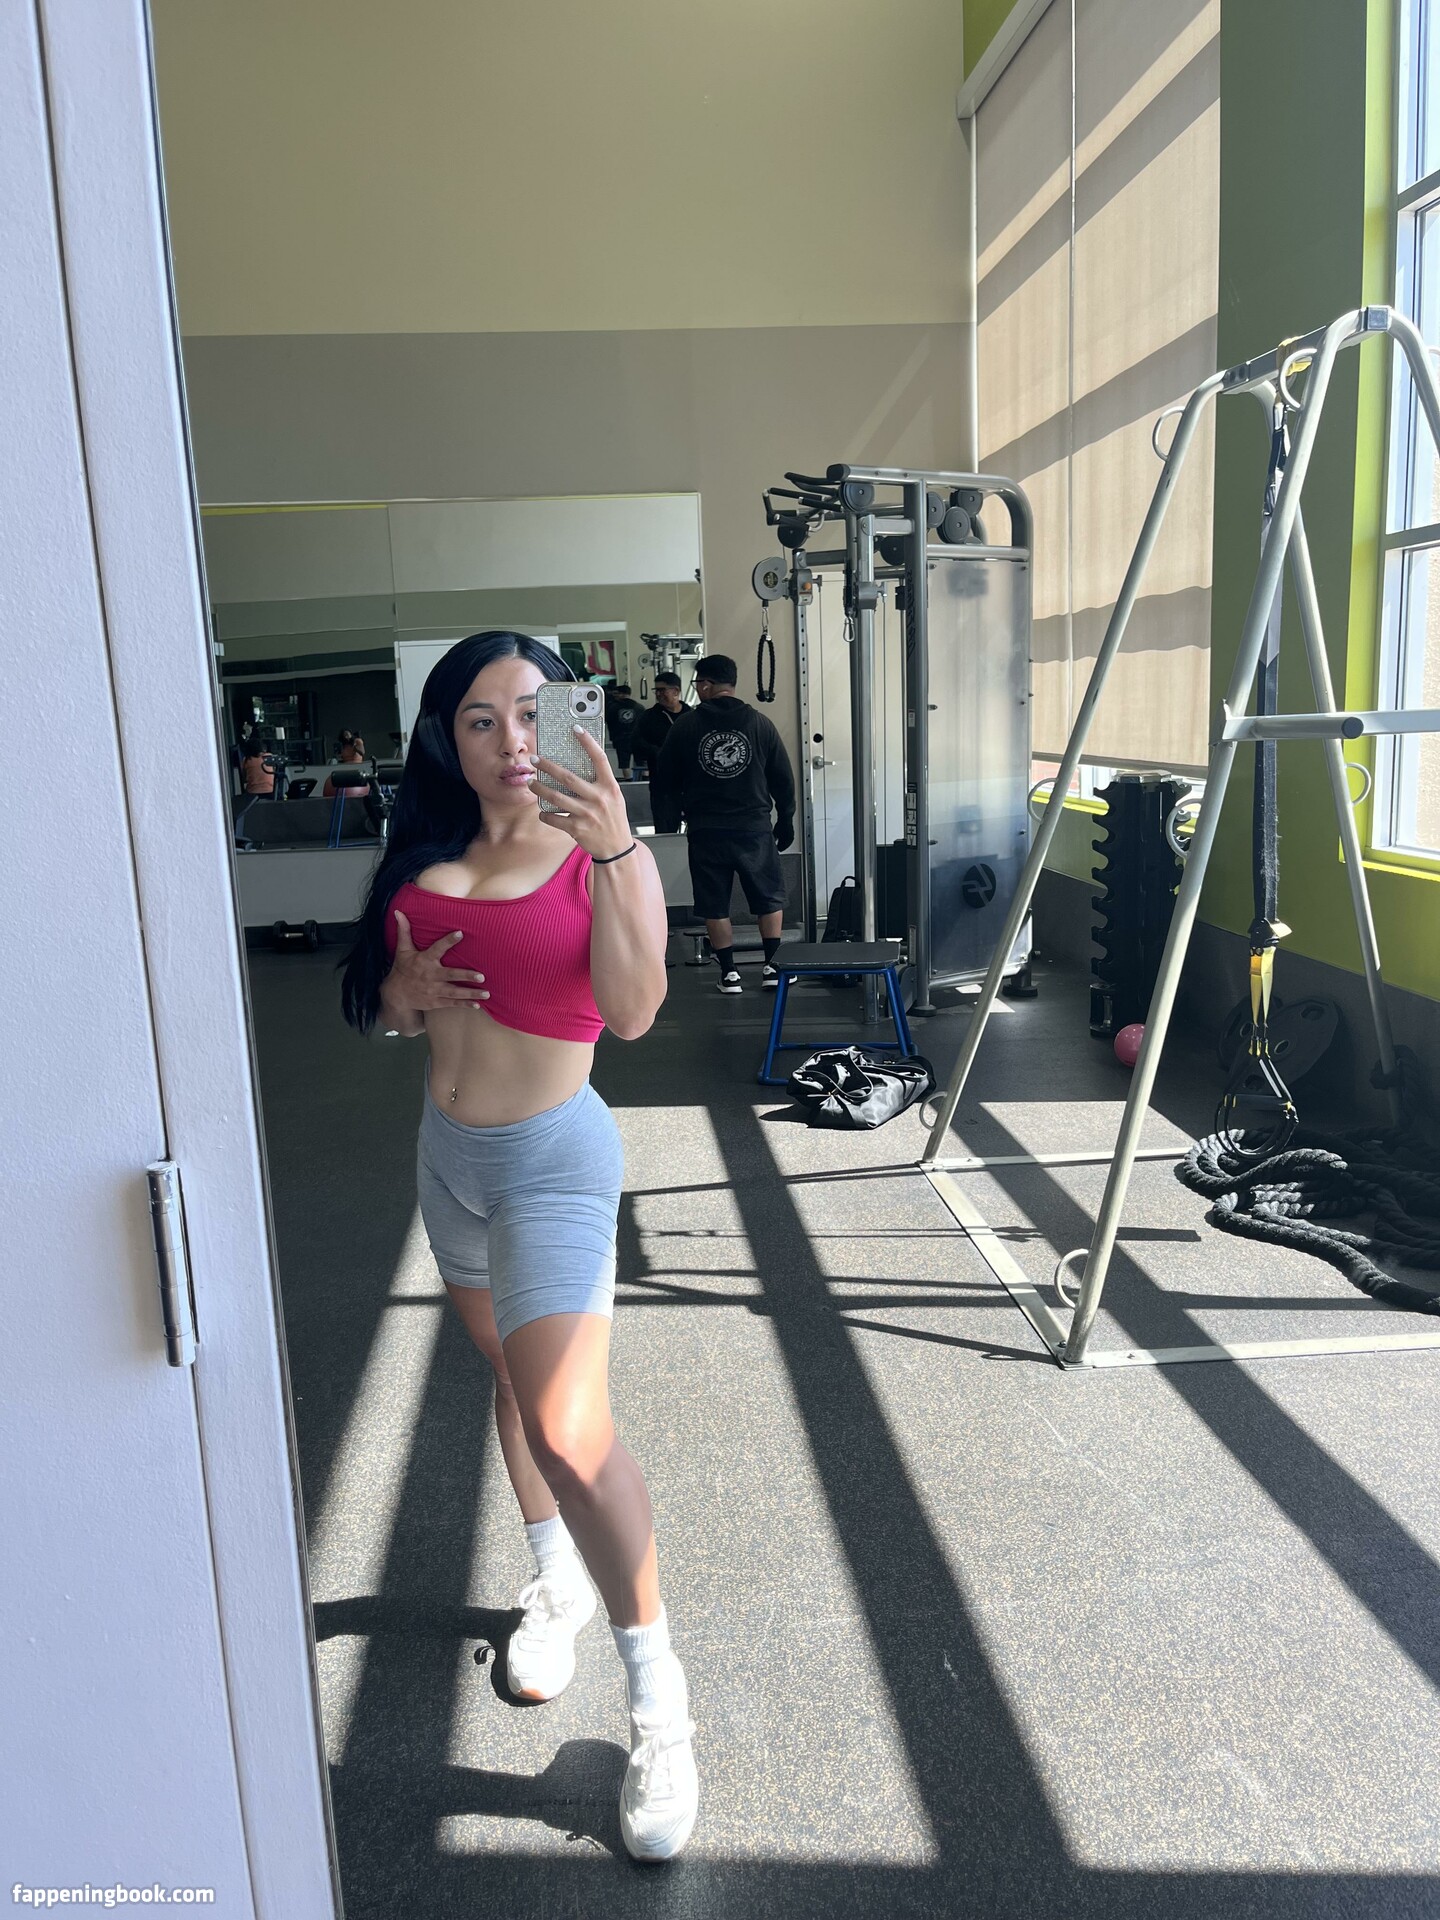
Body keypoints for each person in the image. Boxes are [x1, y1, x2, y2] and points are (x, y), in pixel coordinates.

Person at [339, 631, 698, 1862]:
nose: (512, 742)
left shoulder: (601, 854)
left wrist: (617, 852)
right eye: (482, 719)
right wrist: (401, 1002)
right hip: (448, 1161)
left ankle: (661, 1709)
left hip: (553, 1159)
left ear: (570, 718)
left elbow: (636, 1014)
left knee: (569, 1428)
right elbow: (385, 1005)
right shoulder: (420, 857)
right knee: (510, 1383)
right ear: (447, 737)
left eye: (534, 713)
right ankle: (559, 1584)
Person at [652, 652, 795, 994]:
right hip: (754, 827)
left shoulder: (686, 726)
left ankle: (730, 973)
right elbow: (783, 777)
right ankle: (772, 966)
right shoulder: (760, 724)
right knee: (767, 897)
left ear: (705, 685)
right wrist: (786, 818)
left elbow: (664, 780)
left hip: (707, 830)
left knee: (714, 902)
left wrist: (669, 820)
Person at [636, 672, 684, 805]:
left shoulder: (690, 716)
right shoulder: (648, 717)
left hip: (688, 783)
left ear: (676, 691)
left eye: (662, 690)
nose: (658, 694)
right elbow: (637, 742)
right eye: (656, 690)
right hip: (661, 783)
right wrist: (658, 752)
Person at [604, 682, 644, 780]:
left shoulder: (613, 707)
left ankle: (628, 779)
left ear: (621, 694)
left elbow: (609, 722)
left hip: (620, 738)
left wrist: (613, 737)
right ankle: (644, 779)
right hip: (637, 738)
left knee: (624, 762)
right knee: (641, 760)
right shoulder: (639, 707)